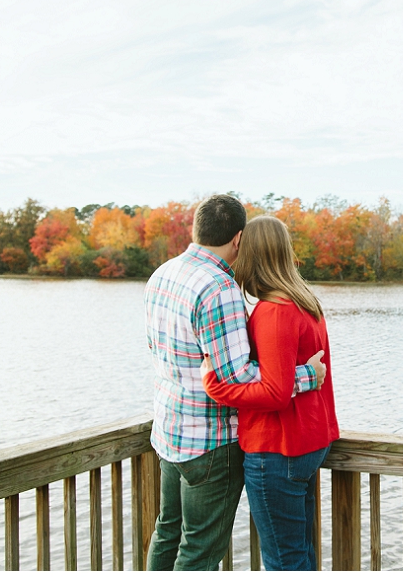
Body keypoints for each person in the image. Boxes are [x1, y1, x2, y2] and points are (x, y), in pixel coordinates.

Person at [143, 195, 326, 571]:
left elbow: (156, 349)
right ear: (238, 239)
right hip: (210, 442)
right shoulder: (219, 288)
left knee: (167, 533)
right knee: (200, 550)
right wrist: (308, 374)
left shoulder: (162, 274)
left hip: (168, 431)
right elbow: (240, 377)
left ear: (197, 228)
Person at [201, 215, 339, 572]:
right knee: (300, 553)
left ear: (250, 253)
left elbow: (276, 393)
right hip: (307, 443)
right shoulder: (305, 303)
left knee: (283, 561)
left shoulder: (274, 312)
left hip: (277, 449)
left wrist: (217, 387)